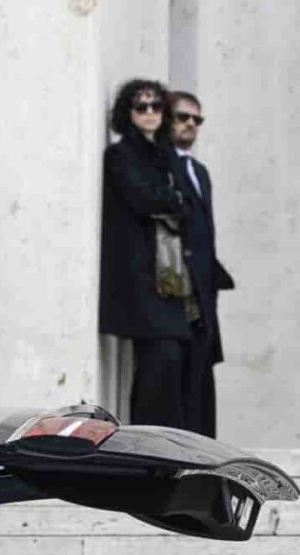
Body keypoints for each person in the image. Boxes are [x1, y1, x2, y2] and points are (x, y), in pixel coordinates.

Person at [97, 77, 192, 430]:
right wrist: (172, 201)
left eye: (156, 106)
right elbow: (147, 199)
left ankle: (166, 439)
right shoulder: (121, 154)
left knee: (171, 362)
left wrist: (172, 201)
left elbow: (185, 204)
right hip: (141, 275)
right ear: (129, 113)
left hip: (170, 277)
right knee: (158, 359)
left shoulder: (166, 155)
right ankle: (147, 438)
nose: (150, 112)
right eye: (142, 106)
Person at [165, 92, 233, 438]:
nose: (190, 123)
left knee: (202, 373)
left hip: (205, 291)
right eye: (182, 116)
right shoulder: (163, 165)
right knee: (178, 375)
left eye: (196, 119)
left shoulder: (199, 171)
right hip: (178, 289)